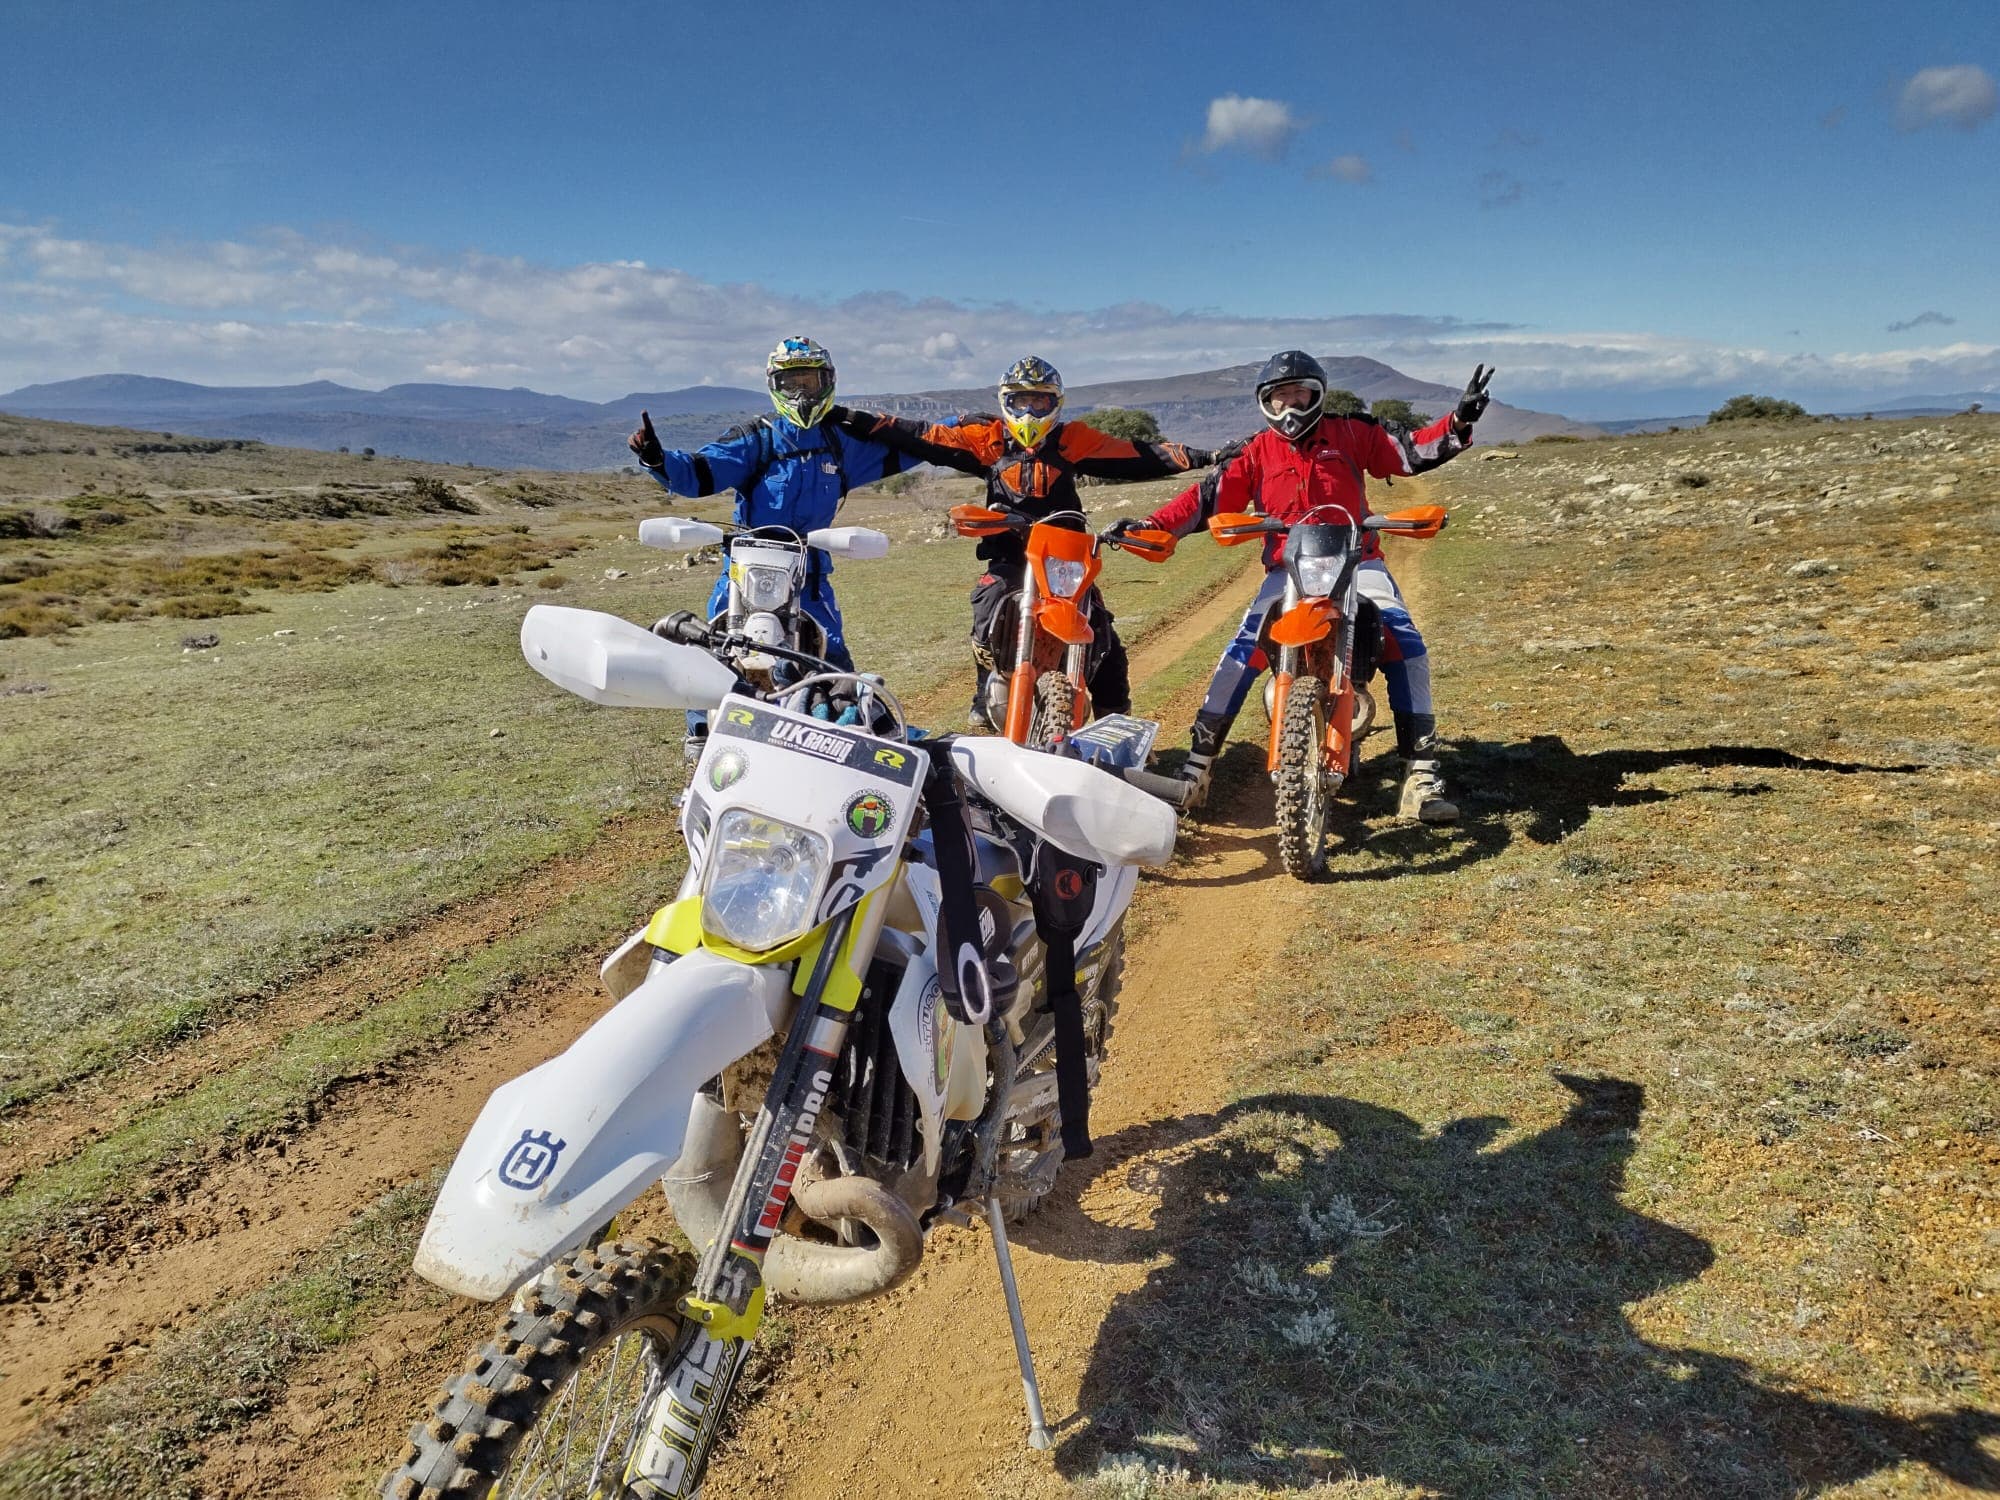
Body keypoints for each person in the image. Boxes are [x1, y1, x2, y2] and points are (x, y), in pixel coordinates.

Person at [1134, 351, 1494, 819]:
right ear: (1266, 402)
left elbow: (1409, 450)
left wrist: (1458, 422)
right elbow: (1203, 501)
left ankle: (1420, 775)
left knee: (1407, 645)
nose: (1290, 406)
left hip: (1358, 560)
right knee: (1241, 651)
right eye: (1279, 397)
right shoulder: (1255, 450)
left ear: (1317, 394)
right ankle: (1195, 771)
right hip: (1288, 568)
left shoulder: (1353, 432)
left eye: (1299, 394)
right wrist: (1149, 524)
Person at [830, 356, 1217, 728]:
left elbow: (1138, 454)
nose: (1030, 411)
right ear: (1006, 402)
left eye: (1039, 400)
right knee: (987, 605)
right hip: (1010, 556)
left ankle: (1116, 722)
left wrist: (1208, 455)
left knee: (1103, 636)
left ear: (1055, 403)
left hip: (1065, 560)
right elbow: (920, 435)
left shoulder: (1072, 440)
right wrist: (852, 417)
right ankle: (984, 692)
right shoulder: (989, 440)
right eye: (1021, 400)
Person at [626, 336, 934, 754]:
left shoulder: (841, 444)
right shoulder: (759, 439)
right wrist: (659, 459)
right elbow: (702, 471)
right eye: (792, 382)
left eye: (810, 381)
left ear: (828, 382)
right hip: (747, 567)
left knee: (831, 657)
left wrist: (963, 438)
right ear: (775, 385)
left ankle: (862, 735)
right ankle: (701, 736)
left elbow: (908, 447)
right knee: (716, 648)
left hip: (809, 570)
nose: (801, 392)